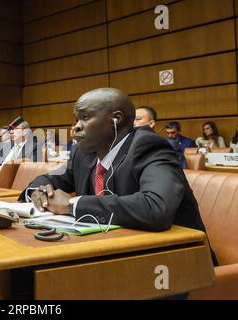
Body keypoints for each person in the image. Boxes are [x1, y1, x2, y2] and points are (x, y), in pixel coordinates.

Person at [23, 88, 210, 237]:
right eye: (76, 119)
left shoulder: (148, 146)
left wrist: (72, 205)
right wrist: (40, 193)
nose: (75, 127)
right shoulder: (84, 153)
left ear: (116, 119)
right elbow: (51, 179)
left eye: (85, 117)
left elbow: (156, 207)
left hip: (177, 260)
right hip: (109, 249)